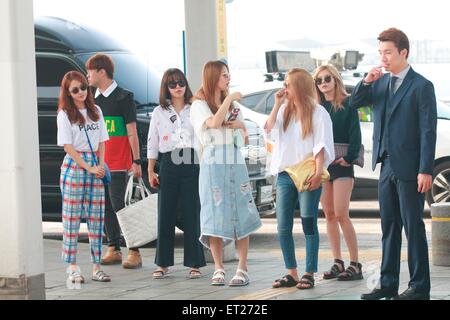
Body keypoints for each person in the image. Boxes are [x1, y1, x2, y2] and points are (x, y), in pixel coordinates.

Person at [352, 28, 437, 300]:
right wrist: (366, 81)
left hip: (411, 168)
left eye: (388, 52)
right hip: (385, 165)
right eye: (380, 53)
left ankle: (419, 287)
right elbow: (354, 103)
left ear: (404, 52)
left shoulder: (422, 86)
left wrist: (425, 169)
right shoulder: (378, 83)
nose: (383, 58)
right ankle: (388, 284)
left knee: (414, 227)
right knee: (389, 227)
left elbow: (427, 131)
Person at [190, 60, 262, 287]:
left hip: (234, 160)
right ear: (212, 77)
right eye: (223, 75)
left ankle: (242, 267)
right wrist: (229, 100)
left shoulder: (233, 106)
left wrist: (238, 125)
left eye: (228, 74)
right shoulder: (198, 104)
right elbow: (213, 123)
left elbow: (242, 134)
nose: (228, 78)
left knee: (242, 209)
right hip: (212, 164)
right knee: (214, 212)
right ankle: (218, 267)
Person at [265, 68, 334, 290]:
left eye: (288, 84)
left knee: (308, 223)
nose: (285, 88)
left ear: (299, 86)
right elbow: (268, 130)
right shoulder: (284, 110)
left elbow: (320, 145)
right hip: (286, 173)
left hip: (307, 174)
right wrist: (277, 104)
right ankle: (291, 273)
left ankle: (309, 272)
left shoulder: (318, 112)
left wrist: (317, 173)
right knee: (282, 227)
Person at [85, 53, 144, 269]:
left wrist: (136, 161)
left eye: (90, 71)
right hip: (101, 163)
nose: (87, 76)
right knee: (106, 206)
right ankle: (113, 248)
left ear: (102, 71)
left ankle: (135, 251)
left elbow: (132, 132)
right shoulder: (92, 99)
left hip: (120, 162)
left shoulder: (124, 97)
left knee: (120, 206)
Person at [147, 68, 206, 279]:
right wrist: (150, 168)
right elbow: (152, 141)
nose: (178, 87)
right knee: (166, 212)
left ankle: (195, 263)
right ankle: (162, 263)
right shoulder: (159, 112)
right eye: (172, 84)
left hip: (192, 161)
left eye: (181, 82)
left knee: (192, 212)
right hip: (169, 161)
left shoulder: (196, 108)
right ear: (166, 87)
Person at [57, 71, 111, 283]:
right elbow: (68, 147)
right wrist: (88, 167)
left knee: (97, 219)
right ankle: (72, 267)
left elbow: (102, 141)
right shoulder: (65, 114)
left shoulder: (96, 110)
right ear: (68, 93)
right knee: (71, 219)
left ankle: (97, 266)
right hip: (75, 165)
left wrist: (99, 165)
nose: (80, 92)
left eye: (83, 87)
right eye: (75, 89)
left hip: (94, 166)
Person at [313, 65, 363, 281]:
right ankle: (337, 261)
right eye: (318, 80)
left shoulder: (349, 103)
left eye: (327, 78)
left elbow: (356, 133)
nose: (323, 83)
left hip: (342, 164)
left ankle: (355, 264)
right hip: (324, 164)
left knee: (342, 213)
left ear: (335, 79)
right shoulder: (317, 107)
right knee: (329, 215)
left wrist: (350, 157)